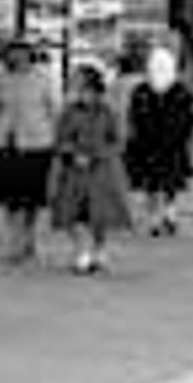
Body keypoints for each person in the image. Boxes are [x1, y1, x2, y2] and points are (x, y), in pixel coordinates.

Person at [50, 61, 136, 273]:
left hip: (101, 171)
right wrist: (70, 152)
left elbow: (119, 141)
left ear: (92, 85)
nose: (75, 87)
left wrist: (97, 155)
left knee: (98, 216)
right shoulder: (68, 111)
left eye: (79, 82)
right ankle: (81, 252)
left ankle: (99, 250)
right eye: (74, 83)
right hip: (74, 170)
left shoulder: (108, 111)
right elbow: (60, 138)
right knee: (72, 215)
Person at [0, 39, 60, 264]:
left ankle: (29, 239)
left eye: (21, 54)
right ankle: (16, 243)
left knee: (32, 198)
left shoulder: (43, 78)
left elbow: (55, 109)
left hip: (37, 143)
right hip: (6, 143)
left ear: (30, 56)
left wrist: (58, 140)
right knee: (11, 197)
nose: (16, 58)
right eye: (12, 54)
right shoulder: (0, 79)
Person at [123, 46, 193, 237]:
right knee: (165, 182)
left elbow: (134, 118)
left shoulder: (143, 91)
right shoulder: (179, 91)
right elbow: (189, 120)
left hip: (152, 145)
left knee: (153, 183)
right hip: (168, 146)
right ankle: (167, 215)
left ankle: (158, 218)